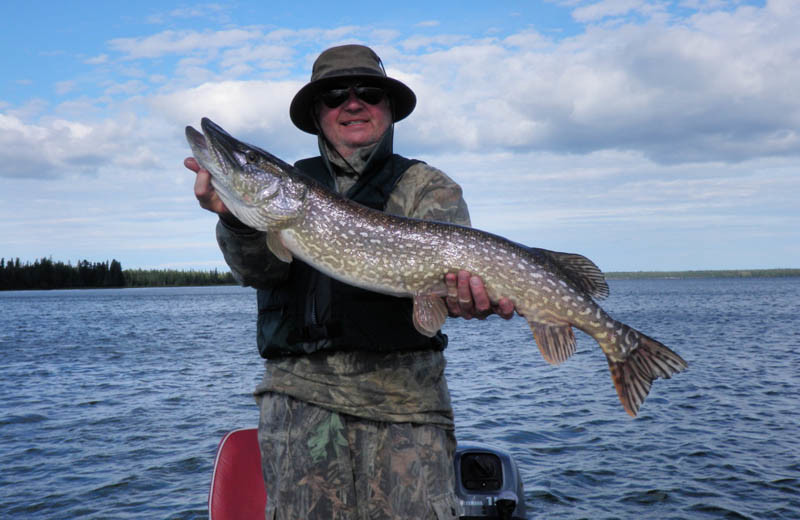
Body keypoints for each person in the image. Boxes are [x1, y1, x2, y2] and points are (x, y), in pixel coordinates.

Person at [185, 44, 514, 519]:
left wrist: (466, 298)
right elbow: (258, 272)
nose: (353, 103)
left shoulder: (428, 187)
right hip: (300, 405)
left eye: (370, 93)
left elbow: (450, 287)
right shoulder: (293, 187)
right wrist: (235, 219)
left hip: (407, 409)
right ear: (318, 114)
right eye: (336, 94)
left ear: (390, 108)